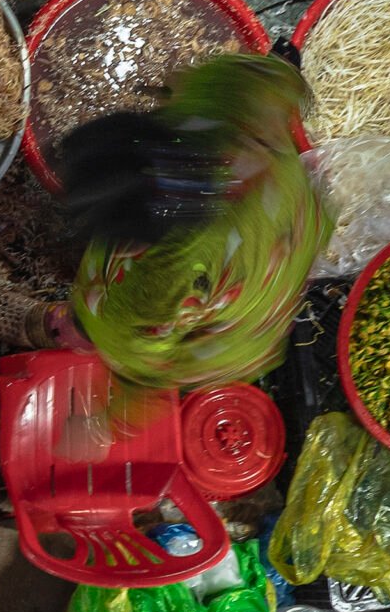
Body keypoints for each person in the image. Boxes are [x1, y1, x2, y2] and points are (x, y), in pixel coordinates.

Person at [54, 51, 329, 392]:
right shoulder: (229, 98)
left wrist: (86, 329)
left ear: (136, 243)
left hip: (237, 327)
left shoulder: (170, 269)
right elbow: (275, 75)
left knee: (107, 320)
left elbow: (137, 350)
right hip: (294, 222)